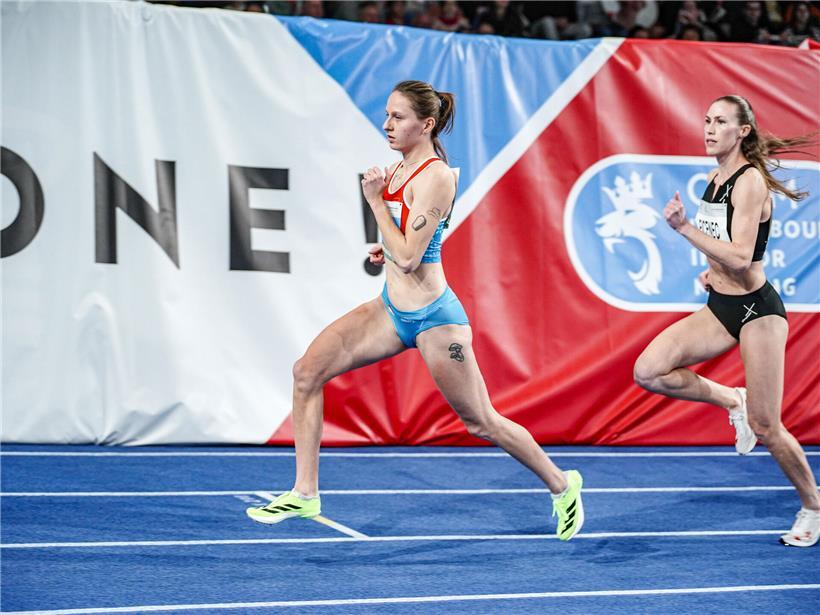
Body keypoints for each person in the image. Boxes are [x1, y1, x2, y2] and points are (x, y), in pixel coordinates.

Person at [246, 80, 584, 541]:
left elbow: (409, 256)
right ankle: (305, 493)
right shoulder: (399, 169)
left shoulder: (436, 175)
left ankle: (563, 485)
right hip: (391, 309)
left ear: (425, 124)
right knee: (307, 372)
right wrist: (383, 247)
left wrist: (374, 204)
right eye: (387, 115)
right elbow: (409, 249)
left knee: (480, 421)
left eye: (398, 116)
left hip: (435, 320)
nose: (387, 124)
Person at [633, 95, 820, 547]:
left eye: (721, 121)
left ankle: (813, 505)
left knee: (767, 427)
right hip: (721, 305)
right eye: (707, 120)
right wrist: (709, 270)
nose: (710, 128)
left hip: (757, 311)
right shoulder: (715, 179)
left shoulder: (749, 181)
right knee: (649, 370)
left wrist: (682, 229)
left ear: (743, 131)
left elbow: (741, 257)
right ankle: (730, 399)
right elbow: (730, 249)